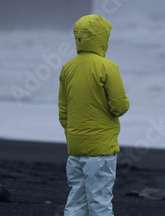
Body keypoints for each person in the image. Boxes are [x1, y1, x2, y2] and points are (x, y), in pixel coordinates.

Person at [58, 14, 130, 215]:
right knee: (100, 201)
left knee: (76, 201)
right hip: (101, 149)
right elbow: (119, 107)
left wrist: (74, 133)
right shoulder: (107, 67)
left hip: (76, 147)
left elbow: (63, 113)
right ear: (101, 37)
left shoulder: (67, 68)